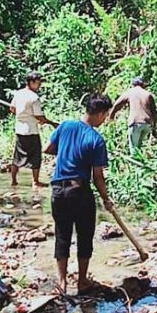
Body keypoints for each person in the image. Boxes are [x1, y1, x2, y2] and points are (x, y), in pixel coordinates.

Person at [44, 93, 114, 295]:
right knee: (84, 235)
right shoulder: (96, 139)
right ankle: (82, 281)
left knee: (62, 235)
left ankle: (63, 282)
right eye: (105, 115)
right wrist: (106, 199)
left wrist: (67, 151)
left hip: (58, 190)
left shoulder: (65, 126)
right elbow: (98, 176)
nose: (104, 119)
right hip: (79, 191)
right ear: (100, 113)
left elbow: (48, 149)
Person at [9, 71, 58, 189]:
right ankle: (35, 181)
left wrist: (23, 115)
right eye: (38, 83)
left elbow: (12, 108)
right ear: (31, 82)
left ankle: (14, 181)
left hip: (19, 129)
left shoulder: (19, 93)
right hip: (31, 131)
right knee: (35, 156)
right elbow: (39, 116)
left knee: (17, 156)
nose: (39, 85)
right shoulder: (34, 98)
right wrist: (52, 123)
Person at [108, 77, 157, 155]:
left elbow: (117, 105)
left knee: (133, 149)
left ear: (133, 84)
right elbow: (154, 112)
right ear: (143, 85)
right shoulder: (148, 94)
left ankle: (135, 164)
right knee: (139, 148)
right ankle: (141, 163)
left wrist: (111, 116)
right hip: (148, 124)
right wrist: (154, 128)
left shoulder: (130, 92)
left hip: (136, 122)